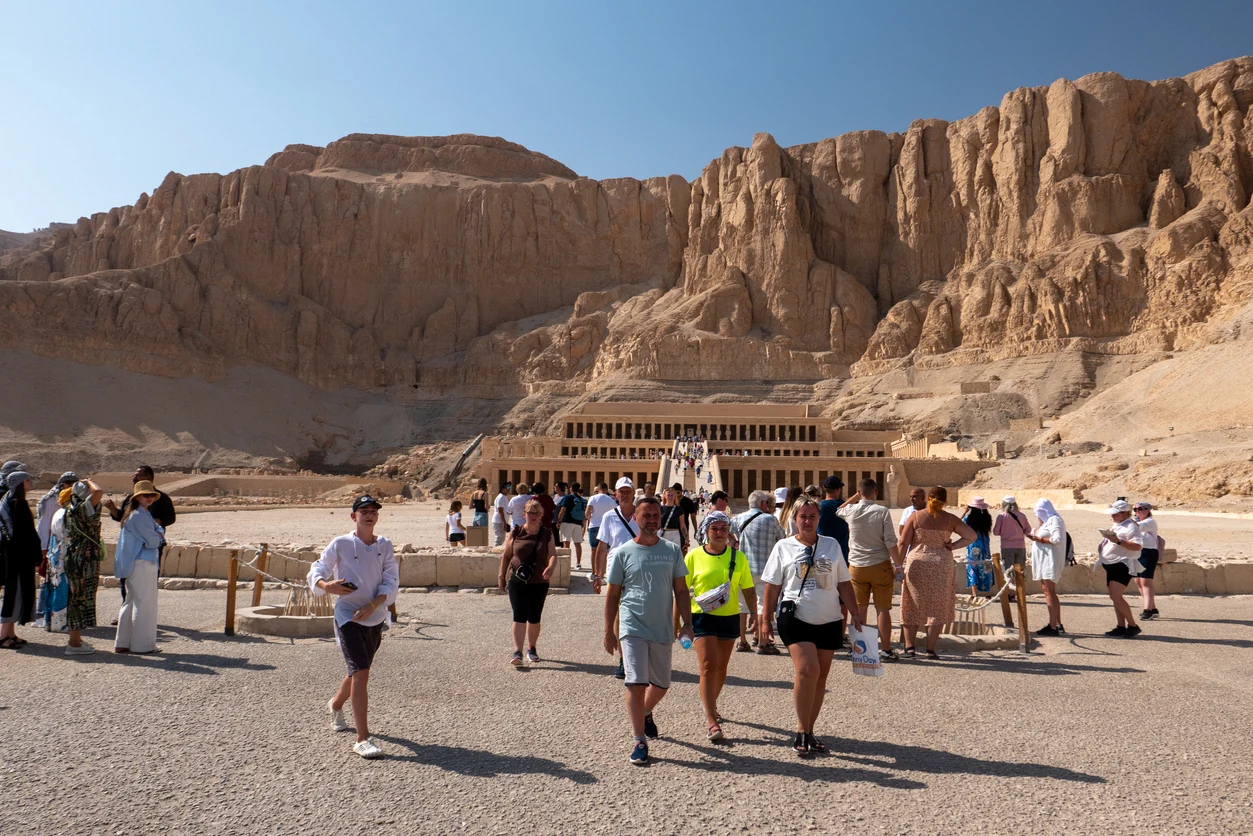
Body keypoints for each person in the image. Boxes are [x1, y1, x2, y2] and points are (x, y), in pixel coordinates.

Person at [759, 498, 863, 756]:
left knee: (820, 678)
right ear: (795, 519)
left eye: (812, 517)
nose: (807, 521)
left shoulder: (832, 545)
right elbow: (772, 585)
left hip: (829, 618)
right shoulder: (783, 546)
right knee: (807, 670)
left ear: (819, 519)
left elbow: (843, 582)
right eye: (802, 516)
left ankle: (810, 730)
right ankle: (801, 729)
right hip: (795, 616)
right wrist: (764, 618)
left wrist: (855, 612)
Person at [603, 497, 694, 765]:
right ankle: (639, 740)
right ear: (637, 518)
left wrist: (687, 624)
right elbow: (613, 595)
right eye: (647, 515)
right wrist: (608, 630)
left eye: (656, 515)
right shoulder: (622, 552)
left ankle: (644, 711)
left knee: (662, 684)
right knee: (635, 681)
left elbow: (681, 590)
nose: (652, 519)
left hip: (662, 627)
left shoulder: (672, 551)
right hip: (632, 625)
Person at [308, 494, 399, 759]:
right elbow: (319, 568)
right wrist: (327, 586)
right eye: (364, 511)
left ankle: (336, 704)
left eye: (374, 511)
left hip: (374, 615)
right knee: (361, 672)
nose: (369, 515)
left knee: (357, 670)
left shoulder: (385, 545)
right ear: (354, 516)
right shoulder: (341, 543)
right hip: (347, 615)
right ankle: (362, 739)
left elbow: (391, 580)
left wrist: (373, 605)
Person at [684, 510, 755, 741]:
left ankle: (710, 705)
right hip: (702, 616)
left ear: (728, 532)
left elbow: (748, 588)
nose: (719, 533)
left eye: (723, 529)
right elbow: (682, 591)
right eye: (714, 528)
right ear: (706, 531)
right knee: (707, 666)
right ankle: (711, 719)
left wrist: (755, 613)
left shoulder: (738, 557)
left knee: (722, 667)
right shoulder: (693, 557)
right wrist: (680, 622)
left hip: (729, 615)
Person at [897, 487, 976, 659]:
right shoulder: (950, 519)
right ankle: (930, 649)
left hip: (917, 563)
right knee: (938, 605)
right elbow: (971, 536)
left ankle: (909, 647)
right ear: (945, 501)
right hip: (941, 564)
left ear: (928, 498)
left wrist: (897, 565)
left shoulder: (915, 517)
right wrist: (953, 546)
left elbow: (903, 542)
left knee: (911, 603)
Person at [837, 478, 903, 661]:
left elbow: (838, 509)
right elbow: (890, 541)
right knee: (882, 609)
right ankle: (886, 650)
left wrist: (854, 498)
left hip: (857, 566)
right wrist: (898, 565)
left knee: (858, 610)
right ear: (876, 492)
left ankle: (856, 647)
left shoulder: (851, 510)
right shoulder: (882, 511)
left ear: (859, 493)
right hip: (879, 564)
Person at [499, 499, 558, 666]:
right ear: (524, 514)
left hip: (539, 580)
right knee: (519, 615)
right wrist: (501, 576)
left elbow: (553, 554)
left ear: (541, 515)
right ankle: (517, 651)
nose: (533, 516)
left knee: (534, 617)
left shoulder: (547, 533)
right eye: (530, 512)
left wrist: (551, 567)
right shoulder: (516, 532)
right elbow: (506, 555)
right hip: (517, 580)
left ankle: (531, 648)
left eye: (536, 513)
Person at [112, 481, 166, 655]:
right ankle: (143, 645)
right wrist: (158, 535)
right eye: (145, 495)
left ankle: (123, 642)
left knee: (131, 600)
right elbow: (154, 540)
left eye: (151, 495)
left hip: (134, 562)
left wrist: (157, 532)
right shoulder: (139, 516)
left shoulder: (140, 514)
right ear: (137, 497)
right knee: (145, 603)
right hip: (143, 562)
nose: (149, 498)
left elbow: (157, 529)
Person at [592, 477, 639, 678]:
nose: (625, 494)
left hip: (639, 571)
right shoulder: (609, 517)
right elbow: (602, 548)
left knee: (637, 614)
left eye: (628, 490)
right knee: (619, 615)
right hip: (615, 571)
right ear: (616, 494)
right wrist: (597, 575)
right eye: (622, 491)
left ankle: (638, 656)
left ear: (633, 492)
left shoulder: (642, 514)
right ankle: (623, 659)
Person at [731, 490, 785, 655]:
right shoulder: (770, 519)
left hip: (743, 569)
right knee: (762, 606)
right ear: (763, 504)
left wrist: (733, 541)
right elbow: (782, 538)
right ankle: (762, 642)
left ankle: (742, 641)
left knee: (742, 607)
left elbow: (725, 528)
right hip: (764, 569)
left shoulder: (738, 518)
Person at [62, 479, 105, 655]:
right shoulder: (83, 508)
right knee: (79, 598)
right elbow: (99, 492)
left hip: (75, 556)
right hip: (84, 558)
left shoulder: (70, 510)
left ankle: (76, 639)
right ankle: (74, 644)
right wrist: (91, 481)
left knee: (76, 597)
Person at [1, 471, 40, 649]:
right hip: (18, 557)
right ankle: (3, 636)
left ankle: (10, 633)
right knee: (13, 593)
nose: (30, 482)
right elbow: (24, 535)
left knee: (15, 592)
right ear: (18, 483)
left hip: (15, 555)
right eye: (27, 479)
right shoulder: (18, 503)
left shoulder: (13, 501)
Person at [1095, 500, 1143, 638]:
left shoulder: (1131, 527)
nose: (1112, 517)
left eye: (1115, 514)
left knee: (1116, 596)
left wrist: (1118, 541)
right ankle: (1121, 626)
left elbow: (1137, 546)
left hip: (1123, 564)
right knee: (1115, 597)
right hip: (1112, 564)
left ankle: (1133, 625)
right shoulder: (1119, 523)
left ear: (1124, 514)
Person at [1026, 498, 1067, 636]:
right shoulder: (1046, 523)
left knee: (1048, 591)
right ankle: (1057, 623)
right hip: (1044, 560)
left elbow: (1058, 539)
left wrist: (1039, 539)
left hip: (1051, 560)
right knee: (1049, 590)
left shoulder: (1055, 520)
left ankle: (1052, 626)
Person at [992, 495, 1030, 592]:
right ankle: (1020, 592)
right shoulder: (1022, 515)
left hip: (1007, 546)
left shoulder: (1002, 516)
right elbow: (1028, 530)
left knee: (1009, 570)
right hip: (1020, 546)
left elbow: (996, 532)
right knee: (1020, 570)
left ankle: (1011, 593)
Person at [37, 471, 77, 559]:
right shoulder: (51, 500)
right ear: (62, 484)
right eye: (68, 483)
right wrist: (44, 546)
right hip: (55, 540)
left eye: (74, 484)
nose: (71, 486)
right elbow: (44, 523)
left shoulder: (77, 500)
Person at [1133, 502, 1161, 621]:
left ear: (1148, 510)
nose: (1138, 511)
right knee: (1138, 581)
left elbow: (1137, 527)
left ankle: (1147, 610)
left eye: (1141, 509)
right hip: (1137, 552)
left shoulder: (1150, 522)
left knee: (1146, 581)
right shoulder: (1135, 521)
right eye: (1135, 509)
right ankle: (1152, 608)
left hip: (1148, 552)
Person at [962, 498, 994, 595]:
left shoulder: (968, 519)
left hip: (973, 544)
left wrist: (965, 512)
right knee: (986, 565)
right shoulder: (987, 518)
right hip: (984, 544)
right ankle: (988, 592)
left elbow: (958, 524)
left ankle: (974, 593)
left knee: (972, 567)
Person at [556, 482, 588, 569]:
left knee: (566, 543)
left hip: (567, 521)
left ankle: (567, 563)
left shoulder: (568, 497)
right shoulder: (581, 499)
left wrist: (558, 521)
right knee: (578, 543)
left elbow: (563, 509)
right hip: (578, 523)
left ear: (571, 489)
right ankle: (578, 563)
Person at [817, 476, 850, 559]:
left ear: (824, 488)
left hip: (822, 551)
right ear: (839, 490)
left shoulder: (818, 507)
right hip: (842, 552)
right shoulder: (847, 507)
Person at [586, 482, 617, 561]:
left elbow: (587, 513)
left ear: (598, 489)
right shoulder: (611, 500)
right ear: (606, 490)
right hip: (606, 527)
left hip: (594, 526)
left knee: (594, 550)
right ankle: (603, 571)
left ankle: (594, 572)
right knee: (605, 551)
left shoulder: (593, 498)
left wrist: (591, 518)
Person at [492, 482, 512, 547]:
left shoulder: (504, 497)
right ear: (503, 489)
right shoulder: (501, 497)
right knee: (499, 539)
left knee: (501, 539)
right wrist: (504, 523)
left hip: (501, 521)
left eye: (510, 487)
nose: (509, 489)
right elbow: (500, 511)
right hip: (499, 521)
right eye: (507, 487)